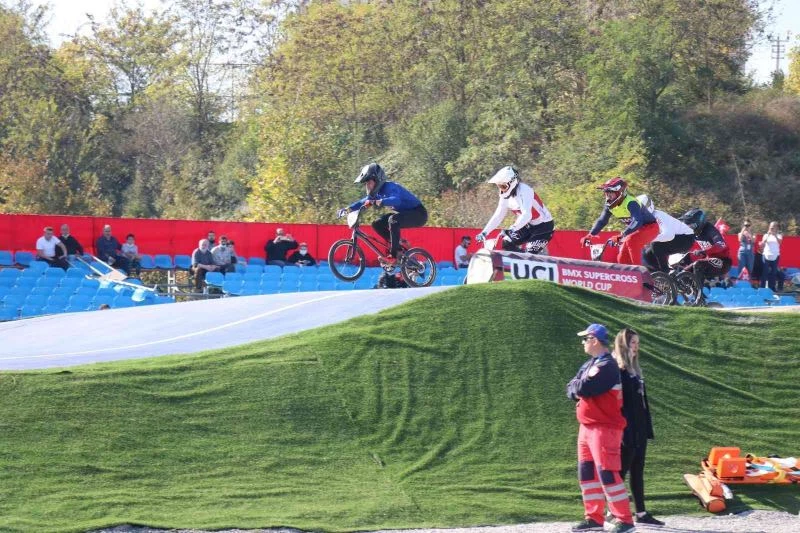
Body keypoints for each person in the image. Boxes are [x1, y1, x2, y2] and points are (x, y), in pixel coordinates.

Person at [567, 323, 634, 533]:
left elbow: (585, 387)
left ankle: (625, 520)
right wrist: (578, 387)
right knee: (586, 473)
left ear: (594, 340)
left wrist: (578, 387)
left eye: (585, 339)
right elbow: (571, 387)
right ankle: (594, 517)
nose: (583, 343)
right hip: (587, 427)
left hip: (604, 427)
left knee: (607, 473)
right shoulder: (590, 364)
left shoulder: (607, 366)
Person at [612, 328, 663, 527]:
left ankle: (641, 512)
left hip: (639, 427)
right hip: (626, 428)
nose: (636, 347)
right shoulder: (617, 370)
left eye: (638, 343)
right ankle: (611, 511)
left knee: (637, 470)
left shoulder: (635, 370)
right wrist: (623, 428)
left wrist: (646, 427)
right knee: (621, 471)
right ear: (623, 344)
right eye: (633, 343)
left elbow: (642, 403)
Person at [337, 162, 427, 266]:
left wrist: (381, 201)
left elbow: (396, 200)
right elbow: (362, 202)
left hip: (419, 214)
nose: (367, 186)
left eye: (369, 182)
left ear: (377, 180)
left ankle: (393, 256)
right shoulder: (377, 193)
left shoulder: (390, 187)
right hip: (407, 213)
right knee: (377, 223)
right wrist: (347, 209)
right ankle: (399, 247)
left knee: (393, 220)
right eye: (366, 184)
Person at [475, 166, 555, 254]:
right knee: (505, 243)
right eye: (499, 186)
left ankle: (527, 257)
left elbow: (527, 215)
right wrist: (484, 232)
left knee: (529, 253)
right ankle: (518, 259)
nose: (501, 190)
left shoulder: (525, 190)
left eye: (503, 186)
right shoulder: (505, 195)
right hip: (527, 226)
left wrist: (512, 229)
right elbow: (498, 215)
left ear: (512, 183)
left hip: (544, 227)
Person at [580, 177, 659, 266]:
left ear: (620, 193)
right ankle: (624, 274)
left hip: (651, 228)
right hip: (636, 230)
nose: (608, 197)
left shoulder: (631, 203)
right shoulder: (609, 205)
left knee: (631, 241)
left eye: (610, 194)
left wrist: (622, 235)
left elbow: (637, 221)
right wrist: (590, 234)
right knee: (622, 258)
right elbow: (602, 221)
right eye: (606, 194)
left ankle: (639, 271)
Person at [636, 194, 694, 272]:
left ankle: (665, 272)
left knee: (656, 245)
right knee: (648, 254)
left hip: (686, 238)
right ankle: (658, 273)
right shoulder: (647, 219)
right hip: (678, 238)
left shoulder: (657, 216)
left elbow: (669, 235)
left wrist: (650, 239)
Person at [678, 208, 732, 289]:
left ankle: (699, 293)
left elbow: (721, 245)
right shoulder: (694, 233)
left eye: (692, 225)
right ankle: (685, 291)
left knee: (698, 264)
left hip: (723, 262)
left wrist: (703, 251)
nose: (690, 228)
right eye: (688, 226)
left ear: (699, 223)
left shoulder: (710, 230)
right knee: (684, 272)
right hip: (709, 261)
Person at [759, 221, 783, 291]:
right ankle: (762, 288)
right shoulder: (766, 235)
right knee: (764, 272)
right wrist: (768, 235)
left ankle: (771, 288)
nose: (771, 228)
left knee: (773, 273)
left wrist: (775, 235)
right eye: (770, 227)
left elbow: (780, 242)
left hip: (775, 256)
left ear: (776, 228)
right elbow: (762, 244)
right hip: (766, 255)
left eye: (773, 227)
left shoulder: (779, 235)